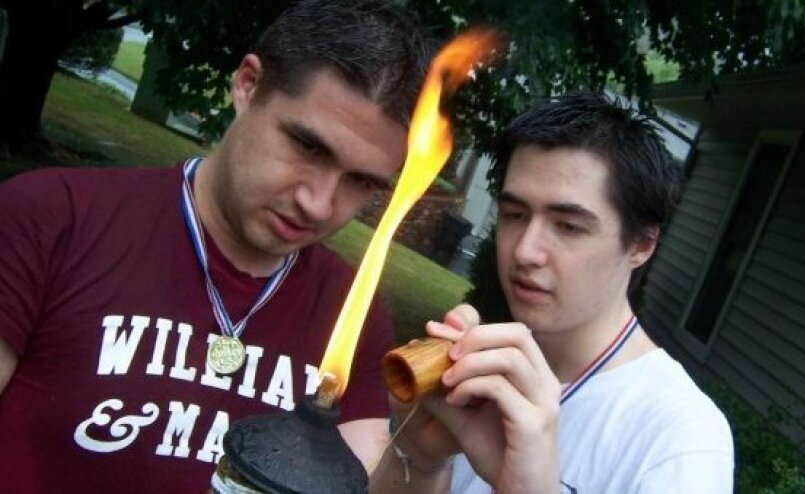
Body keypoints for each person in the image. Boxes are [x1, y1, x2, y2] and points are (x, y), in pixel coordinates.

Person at [0, 1, 430, 492]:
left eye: (362, 182)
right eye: (308, 147)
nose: (318, 203)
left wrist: (427, 455)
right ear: (248, 86)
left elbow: (366, 482)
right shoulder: (52, 218)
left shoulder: (351, 312)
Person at [370, 92, 735, 493]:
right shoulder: (480, 370)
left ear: (642, 245)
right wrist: (420, 458)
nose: (525, 250)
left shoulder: (683, 441)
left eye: (569, 227)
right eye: (514, 215)